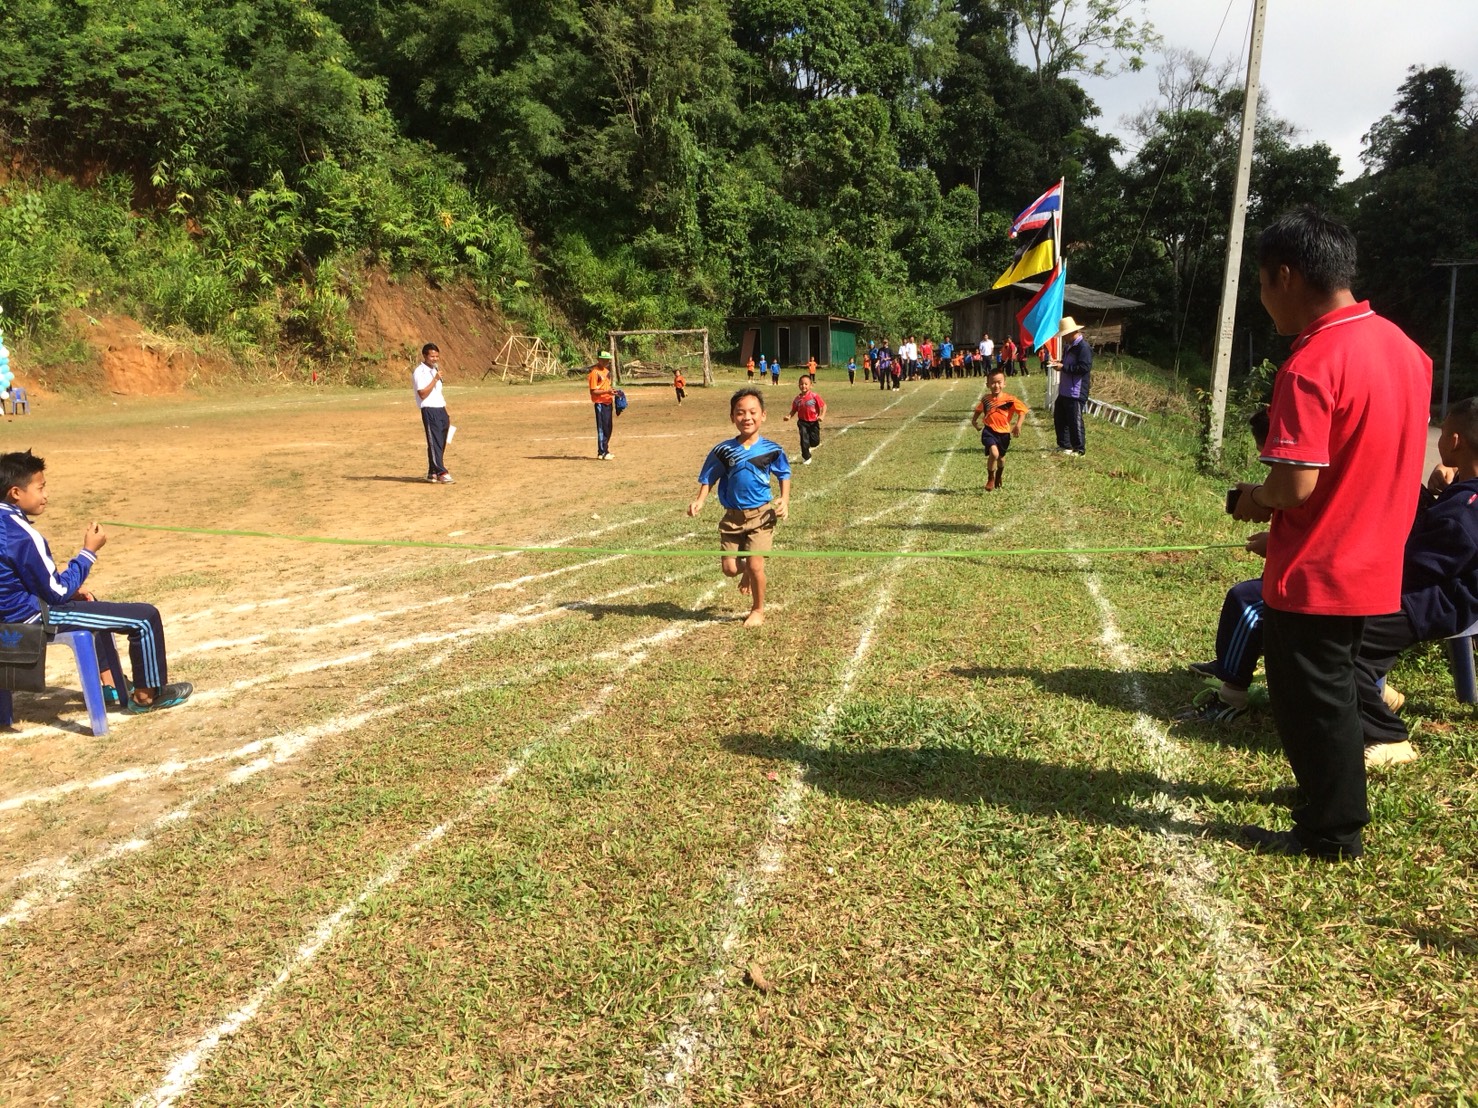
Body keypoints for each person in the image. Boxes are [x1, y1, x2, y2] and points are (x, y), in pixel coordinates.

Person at [1231, 206, 1431, 861]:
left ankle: (1332, 831)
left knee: (1309, 702)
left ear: (1286, 276)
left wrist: (1254, 501)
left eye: (1262, 284)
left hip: (1319, 570)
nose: (1264, 300)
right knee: (1336, 691)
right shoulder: (1406, 350)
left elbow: (1295, 487)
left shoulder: (1312, 362)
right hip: (1375, 560)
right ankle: (1328, 800)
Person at [0, 450, 192, 716]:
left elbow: (17, 579)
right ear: (16, 493)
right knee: (145, 617)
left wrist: (69, 590)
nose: (46, 495)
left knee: (91, 603)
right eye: (40, 488)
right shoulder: (21, 534)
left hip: (9, 613)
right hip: (28, 618)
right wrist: (88, 552)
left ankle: (111, 683)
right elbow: (56, 593)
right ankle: (147, 697)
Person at [1355, 397, 1478, 765]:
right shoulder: (1464, 494)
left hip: (1430, 604)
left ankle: (1389, 736)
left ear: (1454, 441)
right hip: (1430, 596)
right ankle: (1378, 692)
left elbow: (1420, 561)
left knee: (1332, 642)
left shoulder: (1466, 507)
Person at [688, 388, 792, 628]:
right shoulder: (723, 450)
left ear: (763, 415)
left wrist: (785, 499)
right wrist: (700, 500)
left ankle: (757, 610)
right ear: (732, 417)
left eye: (753, 412)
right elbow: (709, 477)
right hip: (732, 519)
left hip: (761, 516)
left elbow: (784, 473)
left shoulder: (772, 449)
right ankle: (746, 570)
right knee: (729, 568)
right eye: (740, 412)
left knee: (756, 565)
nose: (747, 417)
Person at [971, 371, 1030, 492]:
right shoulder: (986, 399)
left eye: (999, 382)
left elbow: (1022, 411)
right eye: (993, 383)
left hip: (1004, 433)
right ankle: (990, 478)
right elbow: (978, 410)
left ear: (1004, 384)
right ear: (987, 384)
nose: (996, 385)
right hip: (989, 430)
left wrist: (1018, 425)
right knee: (994, 453)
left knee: (1001, 458)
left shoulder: (1010, 400)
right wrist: (974, 421)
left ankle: (998, 475)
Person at [412, 342, 453, 483]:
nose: (435, 359)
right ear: (425, 356)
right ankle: (442, 472)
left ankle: (432, 471)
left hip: (440, 408)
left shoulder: (435, 369)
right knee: (434, 441)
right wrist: (435, 379)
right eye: (432, 356)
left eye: (437, 356)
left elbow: (438, 393)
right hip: (429, 409)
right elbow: (422, 393)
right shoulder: (420, 372)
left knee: (440, 440)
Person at [1051, 318, 1091, 456]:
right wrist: (1060, 363)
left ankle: (1079, 449)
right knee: (1060, 418)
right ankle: (1064, 445)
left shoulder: (1083, 348)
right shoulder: (1069, 347)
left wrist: (1064, 367)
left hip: (1076, 391)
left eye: (1064, 335)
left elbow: (1084, 368)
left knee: (1075, 420)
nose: (1064, 338)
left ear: (1071, 333)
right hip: (1065, 389)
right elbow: (1069, 363)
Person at [784, 374, 827, 465]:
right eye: (801, 384)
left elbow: (824, 406)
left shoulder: (814, 396)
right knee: (804, 440)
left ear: (811, 385)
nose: (803, 386)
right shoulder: (797, 399)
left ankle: (810, 444)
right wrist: (789, 416)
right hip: (802, 422)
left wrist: (822, 416)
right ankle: (806, 457)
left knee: (815, 442)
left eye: (806, 384)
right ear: (798, 385)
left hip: (814, 422)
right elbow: (794, 410)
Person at [588, 350, 616, 461]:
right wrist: (606, 392)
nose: (606, 362)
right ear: (599, 359)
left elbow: (606, 387)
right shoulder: (594, 373)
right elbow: (593, 391)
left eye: (607, 360)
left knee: (608, 428)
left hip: (608, 402)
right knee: (602, 428)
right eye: (604, 360)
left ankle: (604, 450)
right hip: (600, 403)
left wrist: (612, 392)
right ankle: (602, 452)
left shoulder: (607, 372)